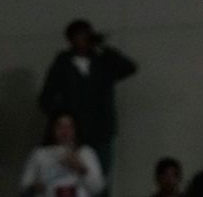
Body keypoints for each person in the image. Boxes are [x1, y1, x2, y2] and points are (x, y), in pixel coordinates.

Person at [38, 19, 137, 175]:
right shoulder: (63, 63)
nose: (84, 39)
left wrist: (103, 48)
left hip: (102, 129)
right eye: (80, 35)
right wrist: (63, 119)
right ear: (71, 39)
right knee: (74, 176)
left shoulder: (102, 60)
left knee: (101, 178)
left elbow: (129, 68)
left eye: (87, 35)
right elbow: (45, 99)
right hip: (75, 133)